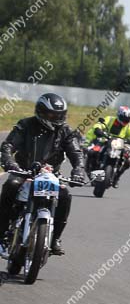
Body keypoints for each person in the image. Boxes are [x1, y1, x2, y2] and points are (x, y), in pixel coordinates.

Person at [0, 93, 84, 256]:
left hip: (50, 175)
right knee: (11, 185)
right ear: (42, 112)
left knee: (65, 195)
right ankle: (2, 233)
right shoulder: (25, 125)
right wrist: (10, 163)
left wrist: (78, 169)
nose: (57, 118)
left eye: (61, 115)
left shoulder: (65, 131)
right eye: (53, 114)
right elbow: (8, 146)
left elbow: (76, 152)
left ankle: (55, 239)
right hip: (24, 172)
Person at [87, 106, 130, 187]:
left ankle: (116, 178)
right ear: (118, 115)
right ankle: (90, 170)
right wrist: (98, 129)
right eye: (123, 118)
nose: (125, 121)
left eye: (127, 119)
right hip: (105, 140)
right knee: (92, 152)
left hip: (121, 144)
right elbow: (100, 124)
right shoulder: (109, 119)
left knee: (128, 161)